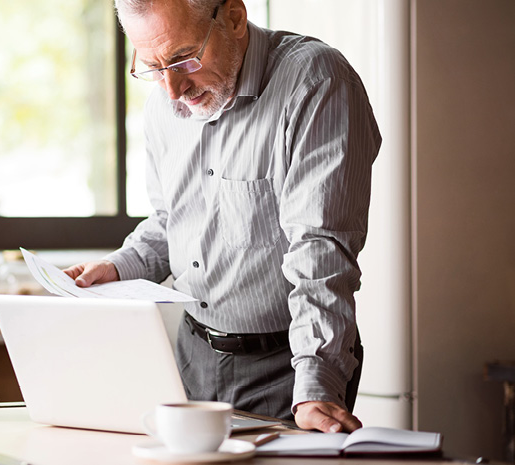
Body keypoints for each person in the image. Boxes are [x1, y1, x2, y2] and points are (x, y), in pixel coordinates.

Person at [63, 0, 381, 434]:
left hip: (286, 366)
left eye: (183, 58)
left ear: (233, 16)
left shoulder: (316, 81)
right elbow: (171, 219)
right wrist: (118, 265)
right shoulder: (164, 106)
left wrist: (316, 383)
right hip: (191, 358)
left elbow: (320, 248)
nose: (173, 90)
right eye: (153, 68)